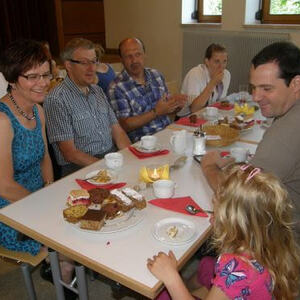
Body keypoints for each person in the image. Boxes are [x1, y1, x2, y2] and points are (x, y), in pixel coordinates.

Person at [147, 164, 300, 300]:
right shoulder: (273, 242)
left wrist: (172, 278)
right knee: (207, 265)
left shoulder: (236, 268)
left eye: (216, 212)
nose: (212, 217)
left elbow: (236, 273)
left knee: (163, 293)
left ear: (234, 223)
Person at [201, 41, 300, 242]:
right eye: (254, 87)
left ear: (296, 84)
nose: (256, 97)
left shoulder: (288, 130)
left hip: (283, 242)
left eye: (266, 88)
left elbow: (240, 201)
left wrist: (210, 168)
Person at [0, 39, 76, 298]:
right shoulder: (2, 121)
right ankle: (64, 271)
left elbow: (45, 156)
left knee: (85, 218)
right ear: (12, 78)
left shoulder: (37, 110)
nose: (43, 82)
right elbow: (4, 186)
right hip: (8, 210)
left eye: (46, 74)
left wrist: (50, 186)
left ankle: (63, 270)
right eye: (32, 77)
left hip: (36, 197)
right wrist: (44, 204)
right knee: (73, 243)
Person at [44, 38, 131, 177]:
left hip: (110, 160)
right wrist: (106, 169)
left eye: (94, 61)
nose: (92, 68)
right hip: (79, 170)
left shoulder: (97, 91)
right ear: (68, 65)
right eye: (84, 63)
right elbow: (70, 154)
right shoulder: (57, 99)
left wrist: (130, 158)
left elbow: (117, 131)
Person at [108, 37, 187, 142]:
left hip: (168, 133)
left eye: (138, 54)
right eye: (128, 56)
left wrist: (176, 105)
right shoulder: (116, 88)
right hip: (143, 143)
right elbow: (124, 125)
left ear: (145, 55)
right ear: (121, 59)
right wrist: (156, 112)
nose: (134, 60)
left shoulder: (156, 75)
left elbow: (166, 110)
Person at [178, 43, 231, 117]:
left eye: (224, 61)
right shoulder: (195, 74)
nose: (221, 66)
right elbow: (194, 109)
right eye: (217, 61)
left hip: (208, 117)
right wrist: (212, 83)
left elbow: (220, 102)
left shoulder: (226, 75)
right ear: (207, 61)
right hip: (188, 118)